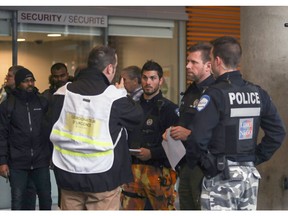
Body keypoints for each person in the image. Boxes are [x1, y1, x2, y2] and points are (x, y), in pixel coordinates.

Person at [185, 36, 286, 210]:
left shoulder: (215, 94)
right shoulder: (258, 93)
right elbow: (278, 132)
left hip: (221, 178)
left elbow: (196, 139)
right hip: (249, 179)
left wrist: (208, 166)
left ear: (217, 61)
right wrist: (254, 158)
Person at [49, 45, 143, 210]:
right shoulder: (114, 97)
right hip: (103, 176)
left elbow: (46, 128)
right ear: (109, 68)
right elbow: (138, 117)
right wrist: (122, 93)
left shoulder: (62, 93)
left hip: (68, 174)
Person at [121, 60, 179, 210]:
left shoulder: (169, 109)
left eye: (153, 78)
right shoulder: (132, 107)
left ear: (161, 80)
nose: (148, 82)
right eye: (145, 78)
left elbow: (176, 146)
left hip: (159, 171)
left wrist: (152, 153)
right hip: (133, 170)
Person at [163, 42, 215, 210]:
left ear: (208, 65)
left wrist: (188, 134)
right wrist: (172, 132)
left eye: (193, 62)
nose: (187, 66)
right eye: (188, 61)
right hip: (185, 163)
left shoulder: (215, 92)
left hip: (204, 165)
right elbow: (186, 121)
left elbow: (219, 131)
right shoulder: (191, 90)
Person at [0, 67, 52, 210]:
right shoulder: (7, 105)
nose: (30, 84)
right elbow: (2, 135)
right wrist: (2, 161)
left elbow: (49, 131)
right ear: (18, 83)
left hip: (40, 160)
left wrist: (51, 155)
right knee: (17, 200)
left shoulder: (42, 103)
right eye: (25, 81)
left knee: (45, 197)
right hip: (17, 162)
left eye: (31, 80)